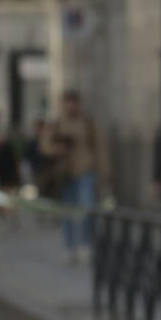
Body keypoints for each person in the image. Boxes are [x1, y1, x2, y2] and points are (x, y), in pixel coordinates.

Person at [41, 90, 106, 263]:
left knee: (87, 209)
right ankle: (69, 247)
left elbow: (100, 148)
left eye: (73, 102)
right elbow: (45, 145)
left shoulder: (87, 122)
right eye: (67, 102)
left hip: (85, 171)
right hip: (65, 173)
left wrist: (104, 173)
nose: (71, 106)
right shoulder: (57, 123)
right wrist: (57, 149)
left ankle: (85, 244)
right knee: (67, 212)